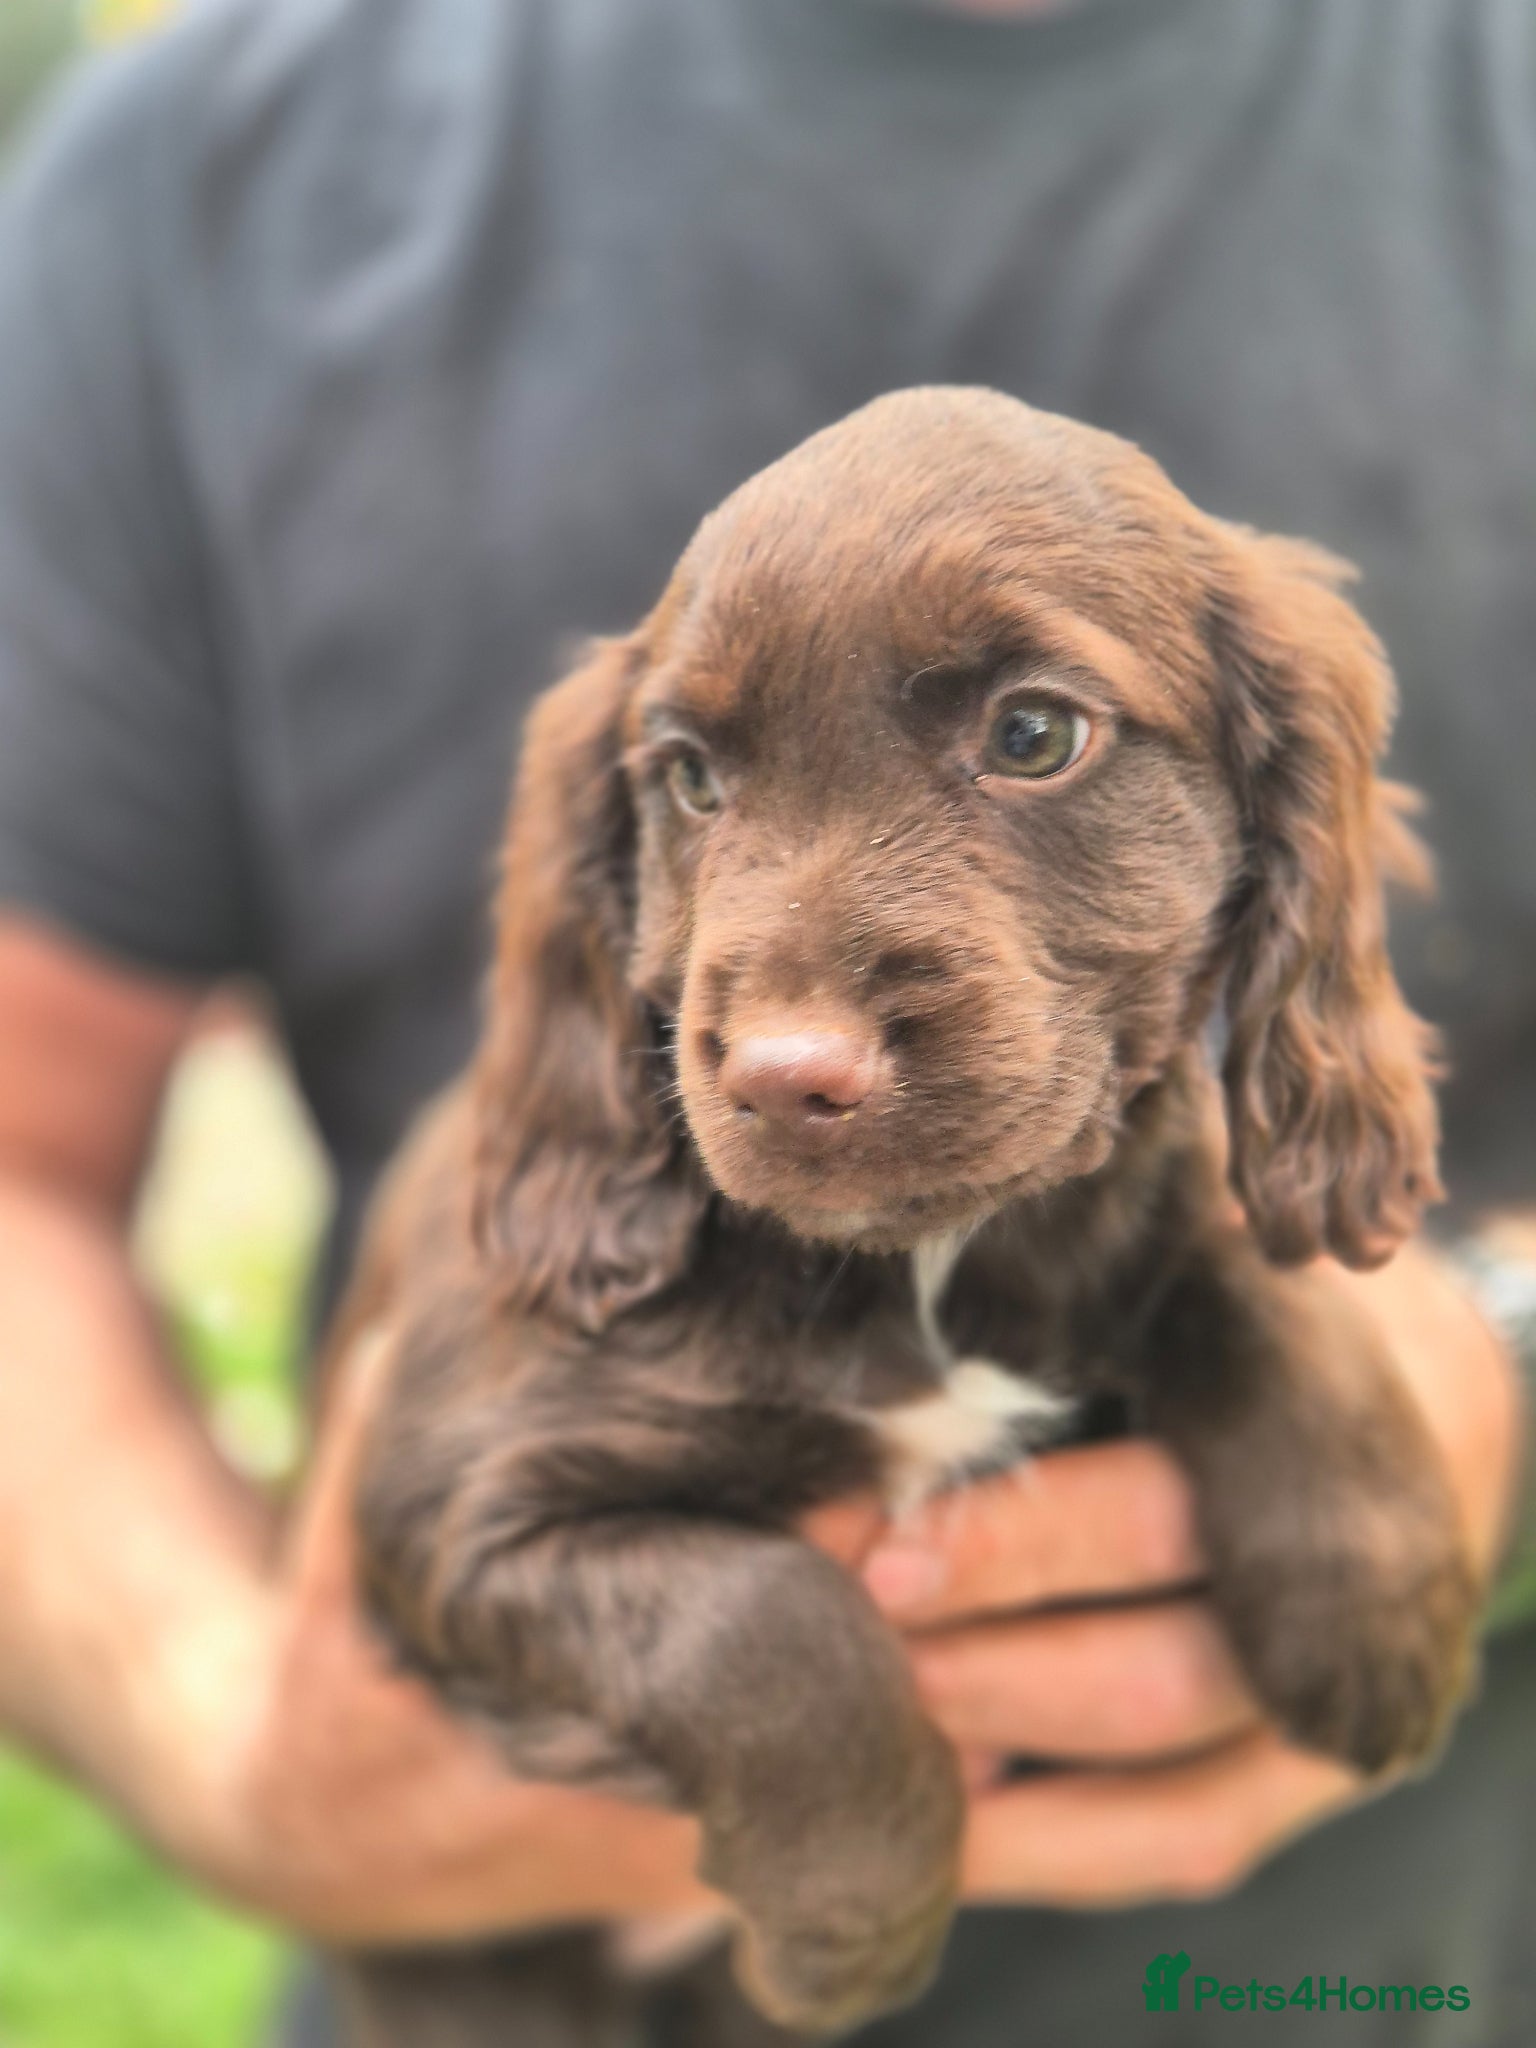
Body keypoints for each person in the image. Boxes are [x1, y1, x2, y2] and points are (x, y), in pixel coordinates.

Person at [0, 0, 1532, 2041]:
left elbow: (1270, 1272)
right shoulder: (195, 165)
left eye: (1035, 731)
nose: (791, 1032)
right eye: (704, 783)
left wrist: (1472, 1373)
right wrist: (237, 1748)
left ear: (1275, 826)